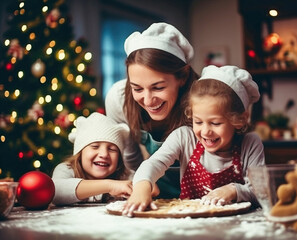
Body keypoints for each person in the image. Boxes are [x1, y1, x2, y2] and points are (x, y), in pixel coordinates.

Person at [122, 65, 265, 216]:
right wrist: (142, 187)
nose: (205, 131)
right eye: (198, 122)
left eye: (215, 123)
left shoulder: (250, 143)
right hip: (189, 221)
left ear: (240, 120)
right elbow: (154, 163)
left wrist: (233, 190)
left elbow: (261, 191)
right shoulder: (184, 137)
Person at [105, 22, 199, 198]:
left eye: (158, 87)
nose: (147, 100)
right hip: (153, 190)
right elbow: (131, 158)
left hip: (205, 194)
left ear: (183, 77)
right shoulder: (119, 99)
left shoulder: (203, 100)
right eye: (137, 89)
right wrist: (144, 184)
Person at [52, 112, 133, 205]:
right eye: (95, 146)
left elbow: (147, 186)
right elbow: (55, 191)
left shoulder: (124, 176)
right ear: (80, 152)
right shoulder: (66, 169)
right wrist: (110, 186)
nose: (104, 154)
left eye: (112, 149)